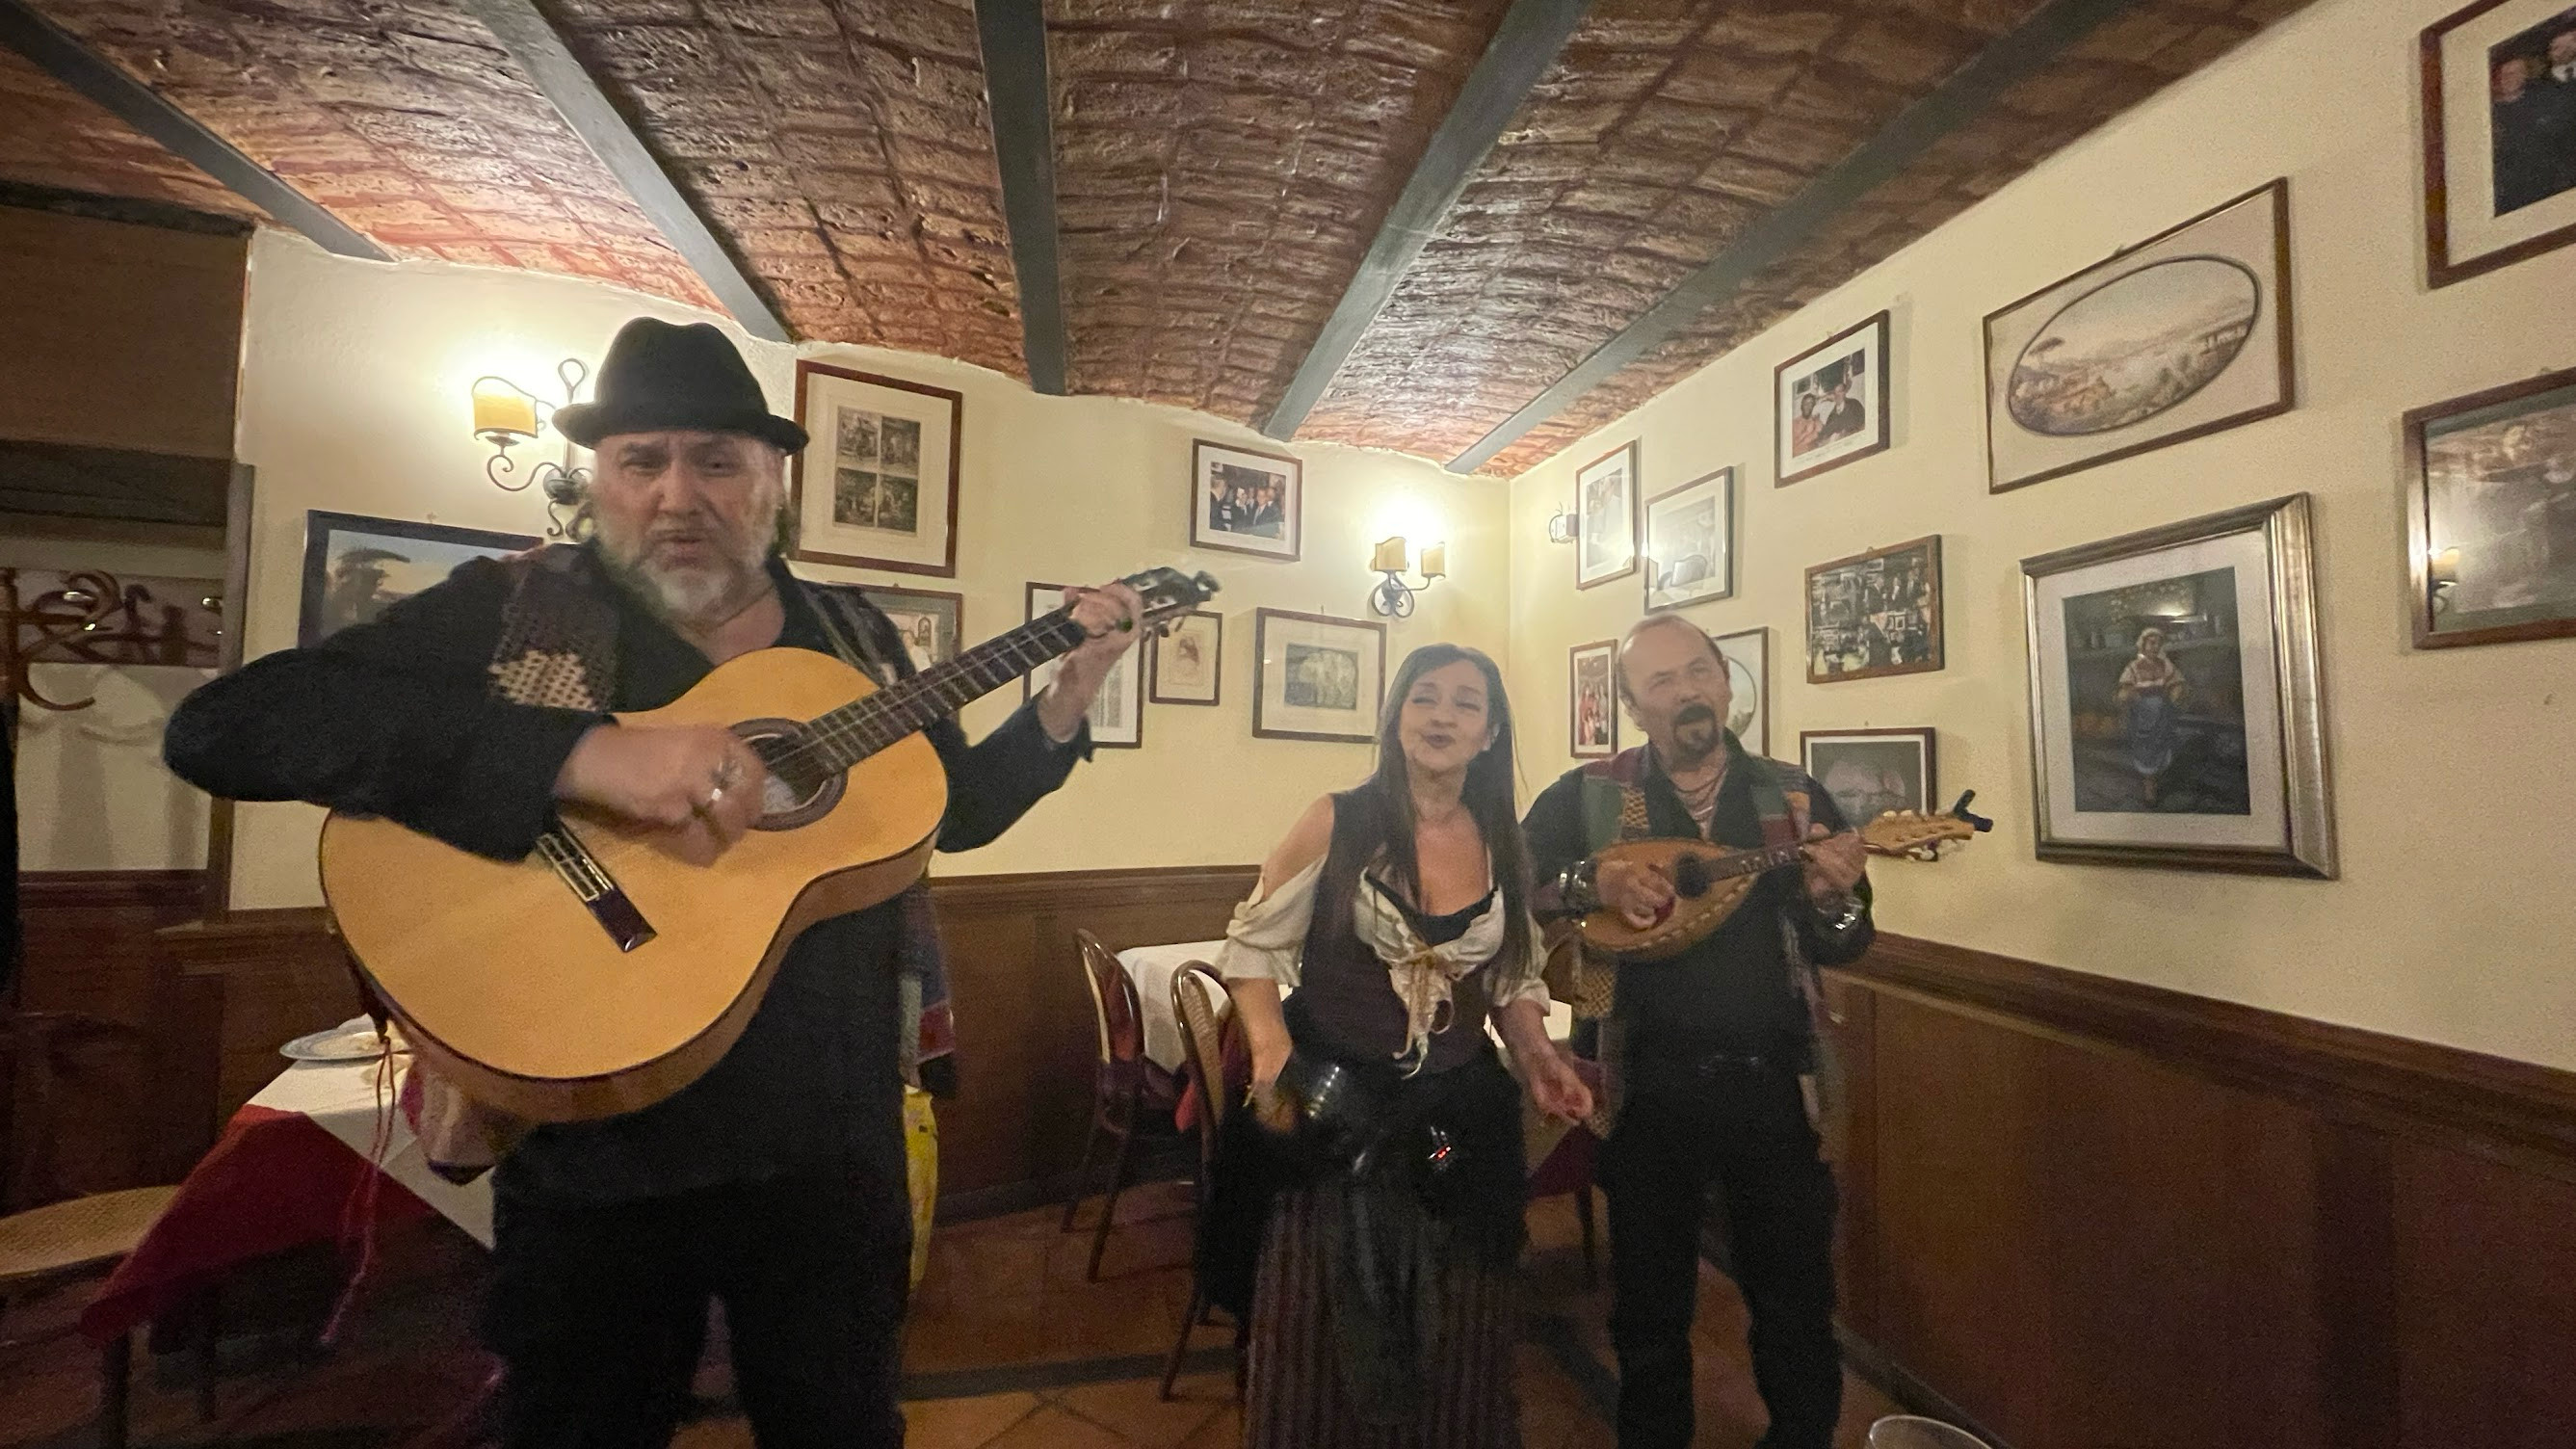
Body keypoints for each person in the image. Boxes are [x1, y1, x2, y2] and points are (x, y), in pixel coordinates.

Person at [162, 317, 1147, 1448]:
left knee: (842, 1425)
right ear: (600, 482)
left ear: (773, 480)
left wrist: (1070, 692)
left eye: (716, 460)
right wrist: (578, 756)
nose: (679, 494)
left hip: (829, 1144)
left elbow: (950, 811)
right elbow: (227, 727)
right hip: (595, 1139)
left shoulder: (853, 633)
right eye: (643, 460)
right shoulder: (511, 608)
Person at [1205, 644, 1592, 1448]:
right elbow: (1251, 949)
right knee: (1325, 1306)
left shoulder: (1504, 844)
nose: (1442, 715)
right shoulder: (1337, 820)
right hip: (1335, 1107)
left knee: (1460, 1302)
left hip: (1452, 1120)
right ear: (1397, 718)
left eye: (1465, 703)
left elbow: (1511, 980)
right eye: (1425, 697)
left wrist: (1539, 1060)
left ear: (1490, 732)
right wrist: (1273, 1054)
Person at [1522, 615, 1872, 1449]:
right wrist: (1595, 880)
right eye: (1662, 681)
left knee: (1795, 1304)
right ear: (1633, 706)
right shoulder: (1588, 796)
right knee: (1649, 1310)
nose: (1686, 692)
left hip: (1774, 1084)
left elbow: (1848, 937)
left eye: (1698, 672)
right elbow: (1518, 881)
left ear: (1723, 681)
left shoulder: (1792, 796)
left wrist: (1836, 900)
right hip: (1642, 1088)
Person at [2116, 625, 2187, 807]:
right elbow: (2125, 690)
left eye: (2158, 644)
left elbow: (2176, 682)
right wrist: (2131, 696)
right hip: (2142, 715)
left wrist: (2175, 694)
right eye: (2151, 643)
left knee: (2161, 745)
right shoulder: (2134, 667)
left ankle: (2157, 779)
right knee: (2145, 749)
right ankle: (2149, 786)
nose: (2155, 647)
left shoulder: (2165, 665)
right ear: (2143, 644)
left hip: (2161, 714)